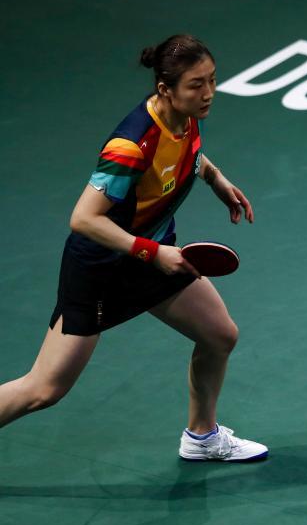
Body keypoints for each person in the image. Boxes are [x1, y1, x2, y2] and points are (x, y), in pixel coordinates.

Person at [0, 34, 267, 462]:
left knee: (219, 335)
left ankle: (201, 438)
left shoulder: (184, 116)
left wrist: (215, 179)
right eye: (196, 85)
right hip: (102, 269)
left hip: (151, 256)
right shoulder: (130, 146)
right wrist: (151, 252)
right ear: (165, 89)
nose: (208, 93)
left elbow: (186, 152)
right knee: (44, 389)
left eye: (212, 80)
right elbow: (83, 219)